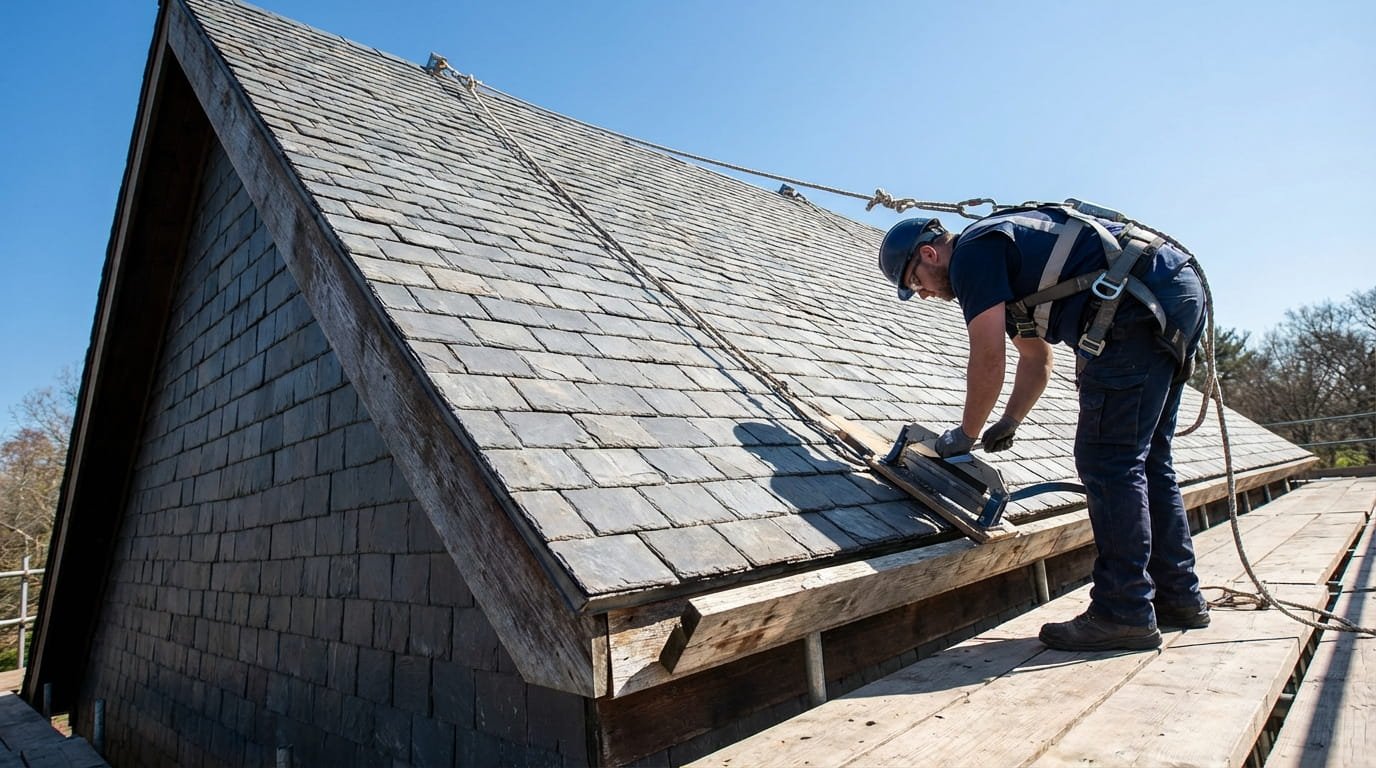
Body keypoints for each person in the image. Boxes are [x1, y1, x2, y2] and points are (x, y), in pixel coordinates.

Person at [878, 204, 1210, 651]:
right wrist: (1009, 420)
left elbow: (988, 357)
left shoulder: (974, 252)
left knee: (1108, 460)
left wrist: (966, 434)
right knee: (1148, 460)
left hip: (1136, 304)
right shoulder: (1008, 263)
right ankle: (1178, 596)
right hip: (1169, 291)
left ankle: (1124, 610)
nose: (922, 294)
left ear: (929, 254)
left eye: (914, 282)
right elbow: (1035, 359)